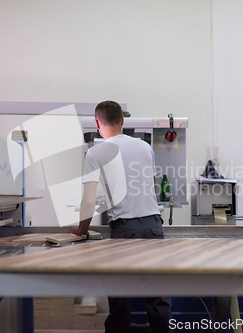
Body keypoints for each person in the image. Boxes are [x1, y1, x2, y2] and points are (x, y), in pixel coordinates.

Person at [69, 100, 172, 333]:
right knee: (158, 301)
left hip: (124, 232)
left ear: (97, 123)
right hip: (153, 228)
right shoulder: (144, 147)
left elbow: (88, 200)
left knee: (120, 303)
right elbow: (152, 185)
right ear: (122, 121)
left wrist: (81, 230)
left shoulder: (95, 153)